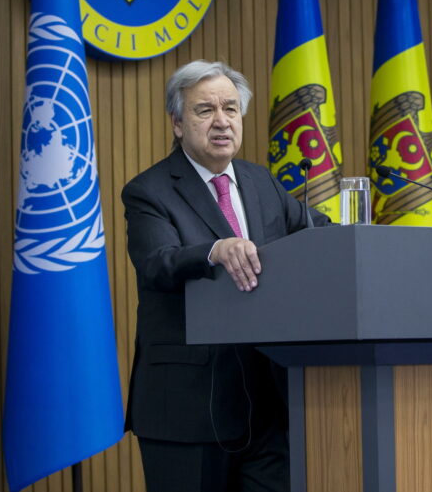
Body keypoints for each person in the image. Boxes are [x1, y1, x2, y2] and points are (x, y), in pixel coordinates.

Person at [121, 60, 327, 492]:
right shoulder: (149, 191)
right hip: (188, 407)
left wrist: (359, 237)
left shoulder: (261, 182)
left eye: (231, 109)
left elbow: (318, 236)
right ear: (178, 123)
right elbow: (157, 262)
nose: (222, 121)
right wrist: (214, 251)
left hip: (267, 405)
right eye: (205, 110)